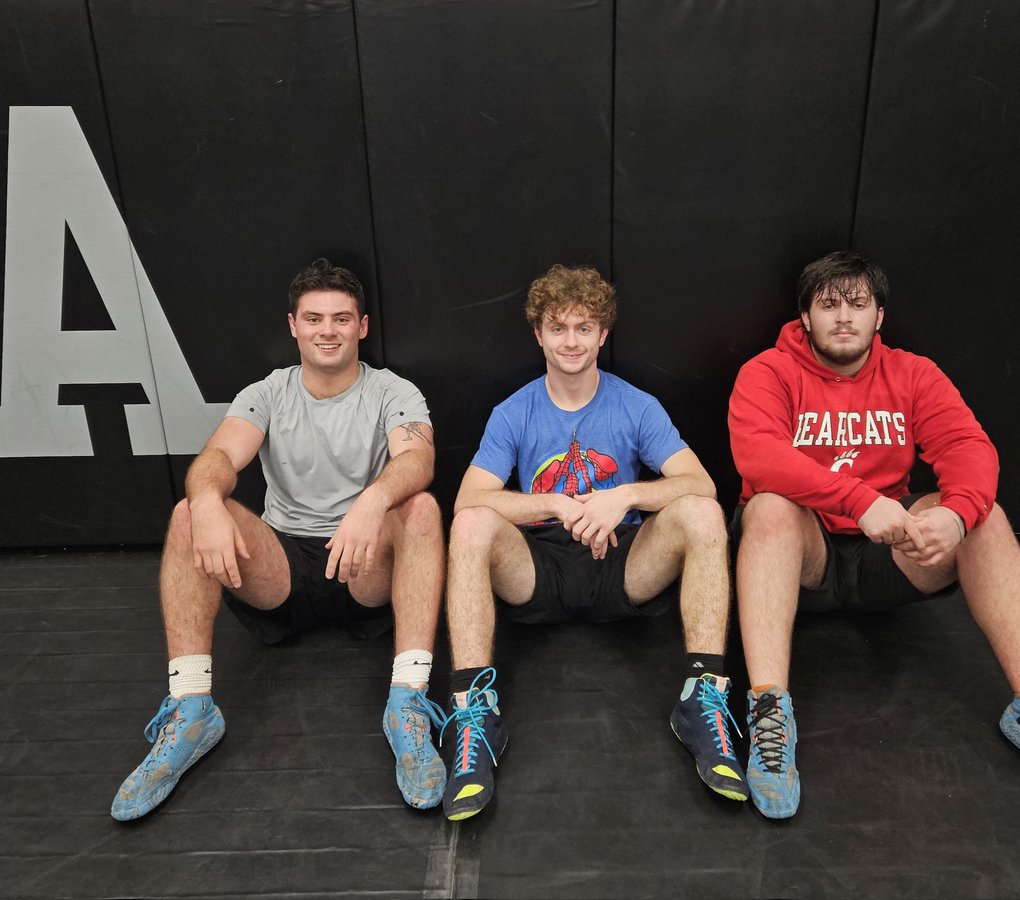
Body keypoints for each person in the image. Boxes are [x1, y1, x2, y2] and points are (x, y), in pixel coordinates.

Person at [728, 250, 1020, 820]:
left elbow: (968, 448)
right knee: (766, 507)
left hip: (891, 557)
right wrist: (858, 501)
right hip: (803, 559)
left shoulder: (914, 373)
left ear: (879, 317)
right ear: (805, 317)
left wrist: (956, 515)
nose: (843, 317)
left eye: (858, 305)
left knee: (987, 517)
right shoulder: (768, 371)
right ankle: (768, 715)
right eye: (828, 305)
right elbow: (758, 456)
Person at [111, 259, 447, 820]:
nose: (328, 330)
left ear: (362, 327)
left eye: (341, 318)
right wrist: (207, 500)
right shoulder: (268, 392)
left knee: (422, 510)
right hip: (283, 567)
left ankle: (407, 703)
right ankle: (192, 713)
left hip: (361, 563)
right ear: (293, 325)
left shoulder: (394, 391)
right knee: (189, 513)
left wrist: (372, 500)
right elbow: (216, 458)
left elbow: (418, 457)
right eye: (314, 318)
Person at [441, 264, 746, 821]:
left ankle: (705, 696)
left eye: (584, 327)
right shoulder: (515, 411)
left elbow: (701, 483)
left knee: (701, 514)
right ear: (538, 335)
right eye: (558, 328)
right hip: (540, 567)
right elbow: (468, 499)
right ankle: (472, 714)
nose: (571, 341)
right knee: (469, 526)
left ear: (603, 334)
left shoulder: (636, 404)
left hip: (620, 564)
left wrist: (623, 496)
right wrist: (551, 504)